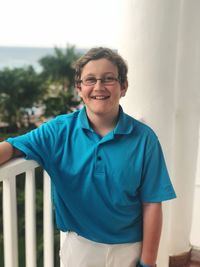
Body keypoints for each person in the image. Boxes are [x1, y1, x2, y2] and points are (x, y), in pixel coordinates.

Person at [0, 47, 176, 267]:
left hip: (130, 248)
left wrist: (147, 263)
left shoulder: (144, 139)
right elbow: (12, 147)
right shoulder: (59, 130)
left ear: (124, 87)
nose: (99, 87)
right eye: (90, 79)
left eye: (108, 79)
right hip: (80, 247)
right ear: (79, 88)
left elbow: (152, 204)